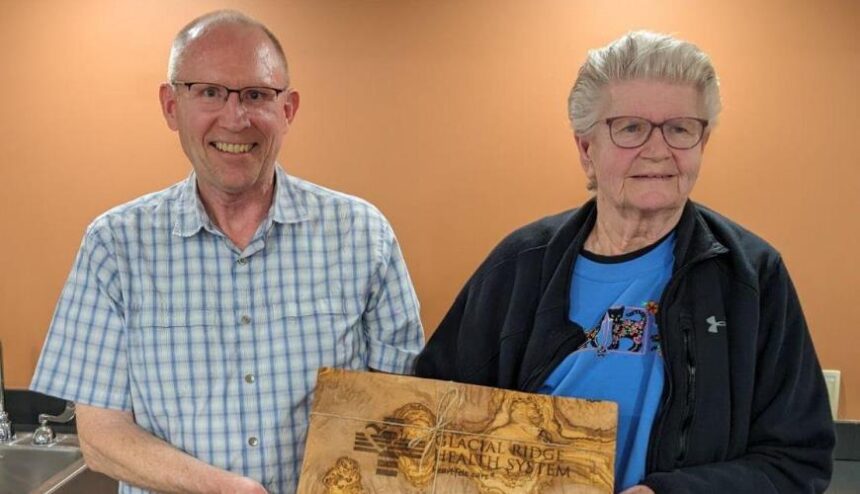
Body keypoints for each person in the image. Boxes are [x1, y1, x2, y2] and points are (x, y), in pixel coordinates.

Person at [415, 31, 834, 493]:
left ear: (702, 144)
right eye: (630, 127)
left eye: (680, 128)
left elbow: (796, 462)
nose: (657, 150)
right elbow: (431, 421)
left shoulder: (751, 275)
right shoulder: (518, 267)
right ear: (586, 149)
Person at [31, 10, 423, 494]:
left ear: (289, 109)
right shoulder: (114, 247)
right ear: (172, 106)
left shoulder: (364, 236)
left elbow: (405, 409)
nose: (236, 119)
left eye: (257, 95)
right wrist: (225, 488)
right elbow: (101, 437)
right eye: (209, 92)